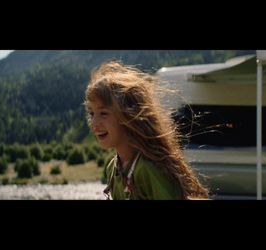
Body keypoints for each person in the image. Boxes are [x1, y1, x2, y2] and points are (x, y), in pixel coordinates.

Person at [84, 60, 209, 200]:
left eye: (103, 113)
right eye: (91, 113)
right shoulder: (114, 167)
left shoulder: (150, 167)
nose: (94, 123)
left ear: (128, 116)